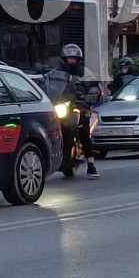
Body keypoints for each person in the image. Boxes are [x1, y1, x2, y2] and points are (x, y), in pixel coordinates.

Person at [41, 44, 104, 179]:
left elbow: (93, 85)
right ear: (64, 58)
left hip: (79, 105)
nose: (72, 61)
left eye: (74, 58)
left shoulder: (84, 72)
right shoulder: (56, 71)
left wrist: (90, 95)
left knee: (83, 130)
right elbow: (48, 83)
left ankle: (91, 166)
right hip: (62, 104)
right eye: (69, 58)